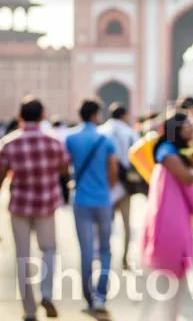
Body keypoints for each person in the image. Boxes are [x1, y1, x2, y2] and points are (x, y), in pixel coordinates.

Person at [139, 111, 193, 320]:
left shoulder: (176, 153)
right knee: (164, 294)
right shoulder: (167, 152)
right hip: (169, 230)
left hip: (169, 226)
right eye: (187, 127)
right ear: (177, 130)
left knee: (164, 294)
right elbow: (188, 178)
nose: (192, 130)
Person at [0, 96, 70, 321]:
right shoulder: (53, 141)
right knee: (48, 249)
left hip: (19, 204)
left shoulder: (10, 143)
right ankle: (47, 293)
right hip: (46, 203)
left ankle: (29, 309)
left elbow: (0, 176)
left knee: (22, 255)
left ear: (20, 116)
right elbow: (64, 169)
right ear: (43, 116)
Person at [65, 98, 119, 320]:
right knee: (105, 249)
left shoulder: (71, 138)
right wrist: (108, 187)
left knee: (86, 249)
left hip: (81, 200)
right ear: (96, 115)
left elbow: (63, 165)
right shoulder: (105, 140)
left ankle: (88, 297)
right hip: (103, 200)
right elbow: (113, 169)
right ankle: (101, 296)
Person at [98, 102, 141, 270]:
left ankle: (104, 256)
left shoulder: (101, 131)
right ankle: (124, 259)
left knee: (106, 224)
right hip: (125, 185)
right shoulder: (130, 133)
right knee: (126, 224)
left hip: (106, 184)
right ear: (124, 115)